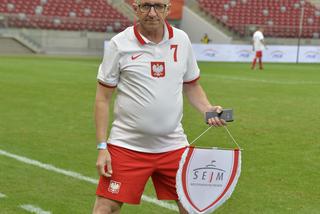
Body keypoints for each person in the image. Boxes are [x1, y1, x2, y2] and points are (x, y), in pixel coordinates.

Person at [92, 0, 226, 213]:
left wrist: (208, 109)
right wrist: (102, 147)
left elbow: (192, 86)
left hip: (173, 145)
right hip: (127, 146)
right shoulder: (120, 44)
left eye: (159, 6)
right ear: (135, 8)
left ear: (168, 9)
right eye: (146, 6)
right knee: (105, 208)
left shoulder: (182, 40)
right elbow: (102, 98)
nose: (152, 13)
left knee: (193, 207)